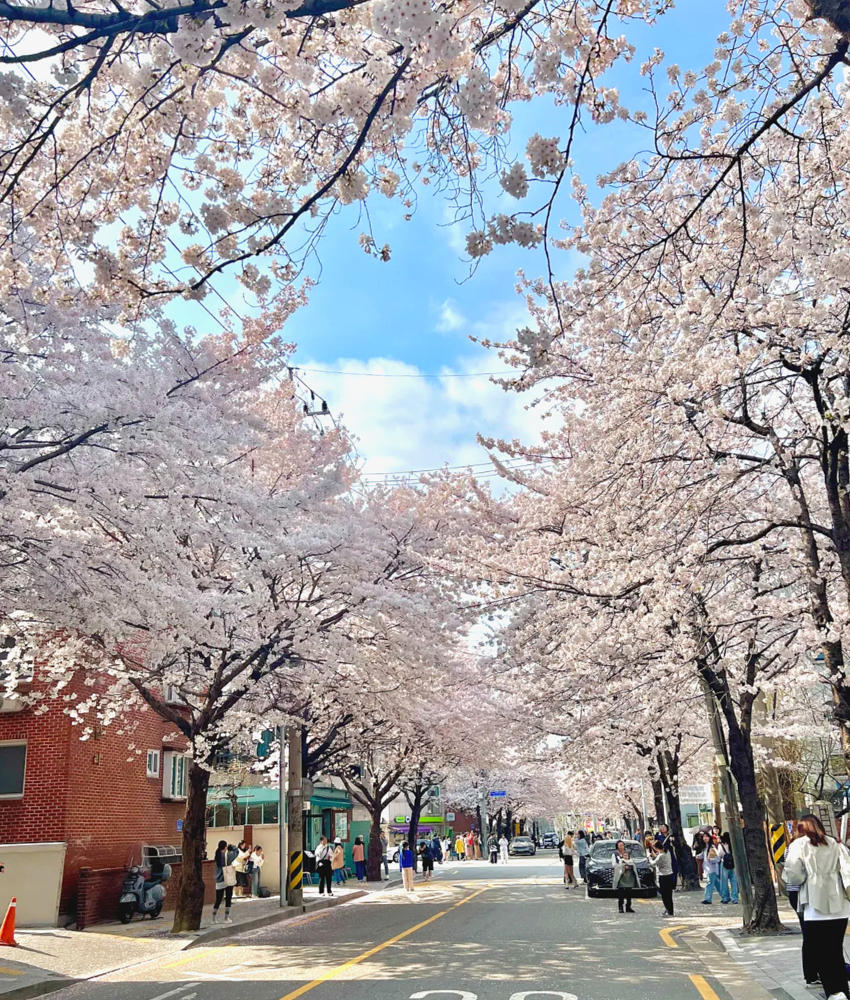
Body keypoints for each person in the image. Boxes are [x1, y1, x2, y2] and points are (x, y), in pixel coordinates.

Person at [784, 814, 850, 1000]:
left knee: (820, 952)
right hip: (839, 903)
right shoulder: (835, 844)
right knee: (836, 950)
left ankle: (834, 992)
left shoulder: (798, 845)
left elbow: (794, 875)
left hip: (814, 904)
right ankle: (843, 990)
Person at [649, 839, 676, 916]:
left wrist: (650, 858)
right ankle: (670, 910)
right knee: (669, 894)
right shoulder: (667, 852)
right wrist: (656, 856)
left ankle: (668, 910)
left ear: (656, 848)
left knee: (664, 895)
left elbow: (653, 863)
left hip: (663, 876)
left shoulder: (661, 856)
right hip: (670, 874)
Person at [701, 833, 729, 904]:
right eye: (704, 836)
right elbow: (703, 856)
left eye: (707, 836)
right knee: (717, 884)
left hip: (712, 869)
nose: (705, 838)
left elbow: (718, 858)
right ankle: (725, 897)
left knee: (709, 883)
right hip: (708, 869)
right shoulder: (704, 847)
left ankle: (708, 899)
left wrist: (711, 860)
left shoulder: (712, 847)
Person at [613, 840, 637, 914]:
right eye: (620, 845)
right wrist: (623, 866)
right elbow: (614, 865)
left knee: (629, 892)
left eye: (622, 845)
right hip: (621, 876)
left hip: (629, 877)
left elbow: (633, 864)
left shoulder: (628, 854)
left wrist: (629, 867)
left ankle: (628, 906)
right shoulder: (615, 855)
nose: (621, 847)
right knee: (621, 893)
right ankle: (620, 907)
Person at [213, 839, 234, 923]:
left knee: (218, 899)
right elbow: (236, 852)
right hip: (226, 879)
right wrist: (232, 847)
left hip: (219, 881)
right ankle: (226, 918)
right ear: (225, 847)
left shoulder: (217, 855)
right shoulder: (226, 856)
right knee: (228, 899)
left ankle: (213, 918)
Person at [719, 832, 739, 904]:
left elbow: (720, 854)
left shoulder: (721, 845)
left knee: (724, 882)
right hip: (733, 863)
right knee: (734, 881)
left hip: (724, 863)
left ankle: (726, 898)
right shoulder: (733, 844)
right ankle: (735, 898)